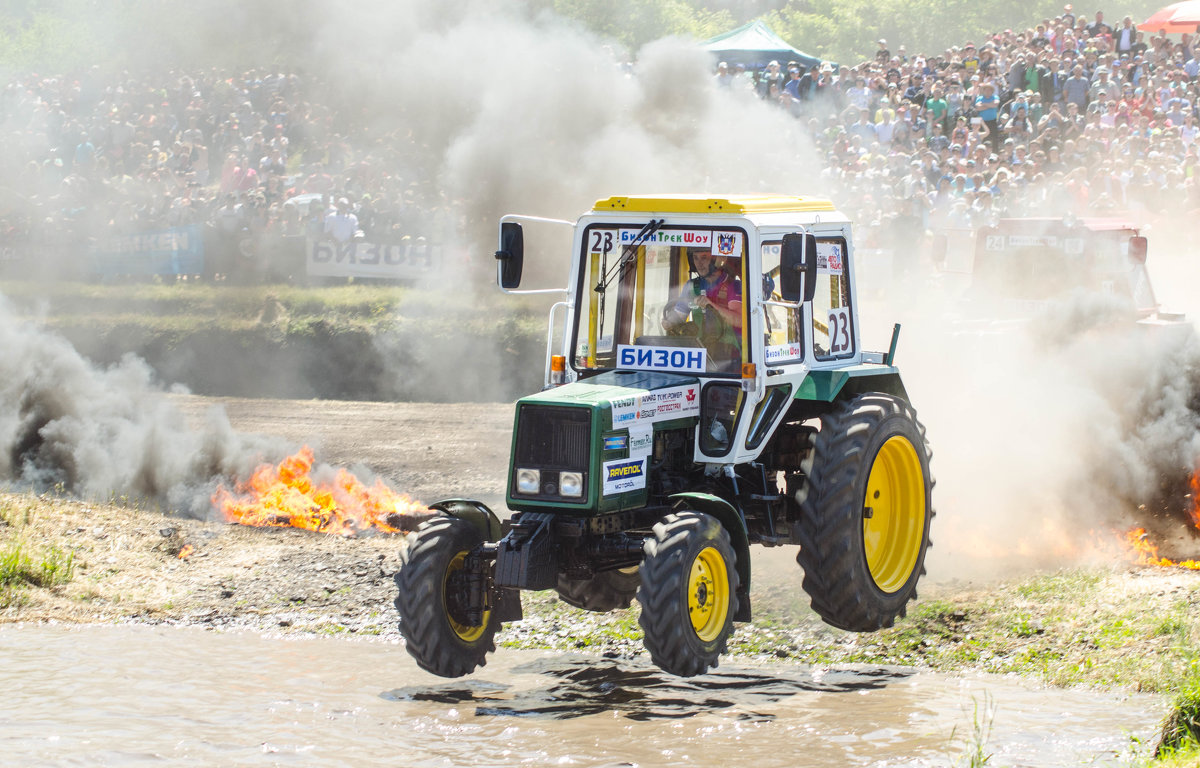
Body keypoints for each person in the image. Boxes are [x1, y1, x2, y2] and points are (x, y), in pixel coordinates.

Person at [662, 248, 743, 370]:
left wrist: (711, 305)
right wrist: (669, 322)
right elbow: (679, 316)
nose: (699, 263)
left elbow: (740, 320)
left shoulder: (734, 285)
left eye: (704, 257)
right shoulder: (692, 286)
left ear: (717, 260)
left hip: (731, 358)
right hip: (700, 355)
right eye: (695, 258)